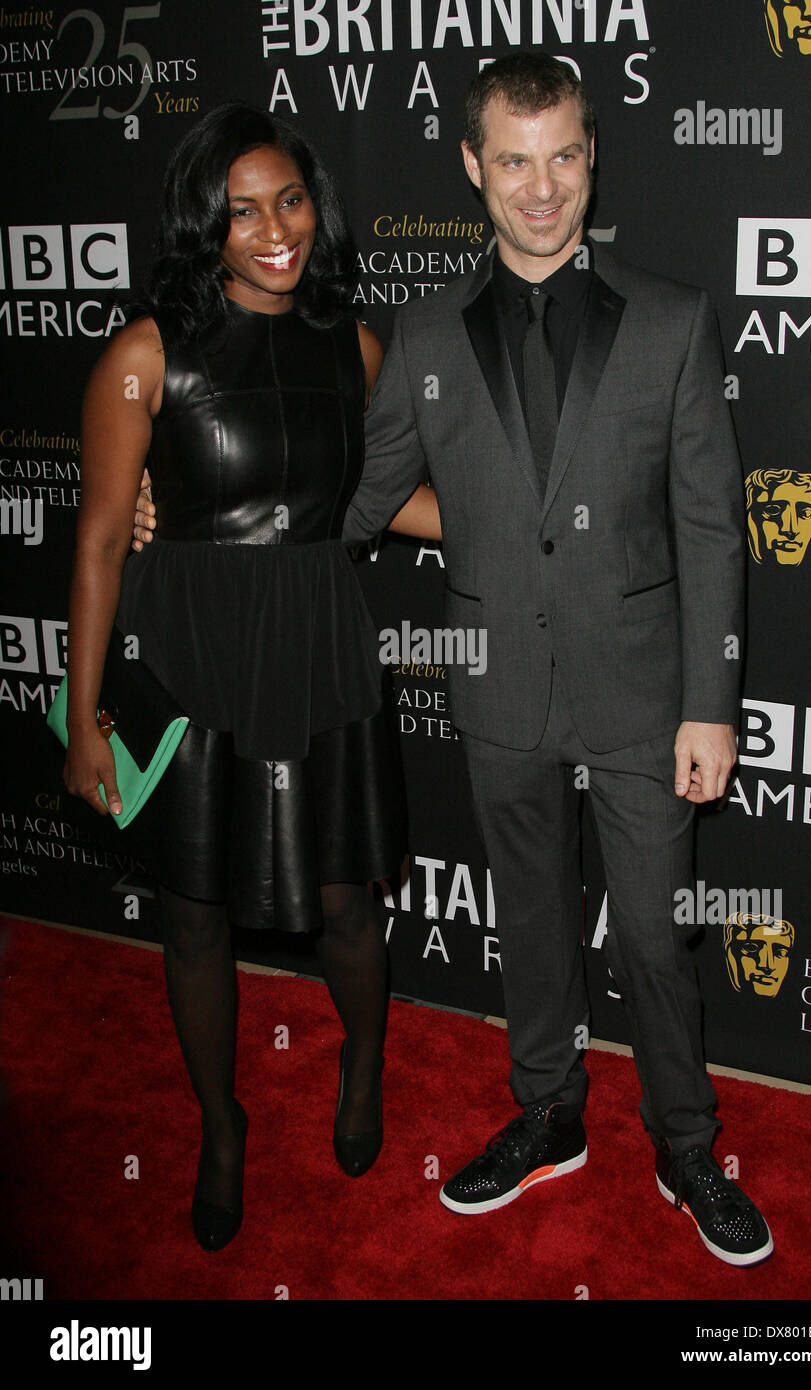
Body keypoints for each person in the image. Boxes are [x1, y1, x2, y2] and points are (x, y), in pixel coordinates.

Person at [136, 57, 772, 1267]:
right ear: (472, 168)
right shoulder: (421, 334)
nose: (542, 190)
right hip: (496, 691)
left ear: (593, 158)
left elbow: (709, 524)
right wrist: (184, 507)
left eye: (565, 156)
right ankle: (548, 1114)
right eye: (515, 161)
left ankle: (686, 1144)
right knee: (530, 923)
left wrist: (711, 705)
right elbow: (349, 498)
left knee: (652, 934)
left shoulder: (674, 318)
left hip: (643, 694)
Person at [63, 104, 432, 1253]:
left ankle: (362, 1067)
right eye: (240, 209)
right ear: (201, 224)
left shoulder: (353, 344)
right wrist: (83, 720)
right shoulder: (144, 354)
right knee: (193, 914)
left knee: (344, 907)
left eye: (290, 201)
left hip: (317, 646)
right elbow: (101, 535)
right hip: (191, 660)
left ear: (316, 208)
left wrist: (521, 534)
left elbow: (380, 505)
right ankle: (220, 1126)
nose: (272, 228)